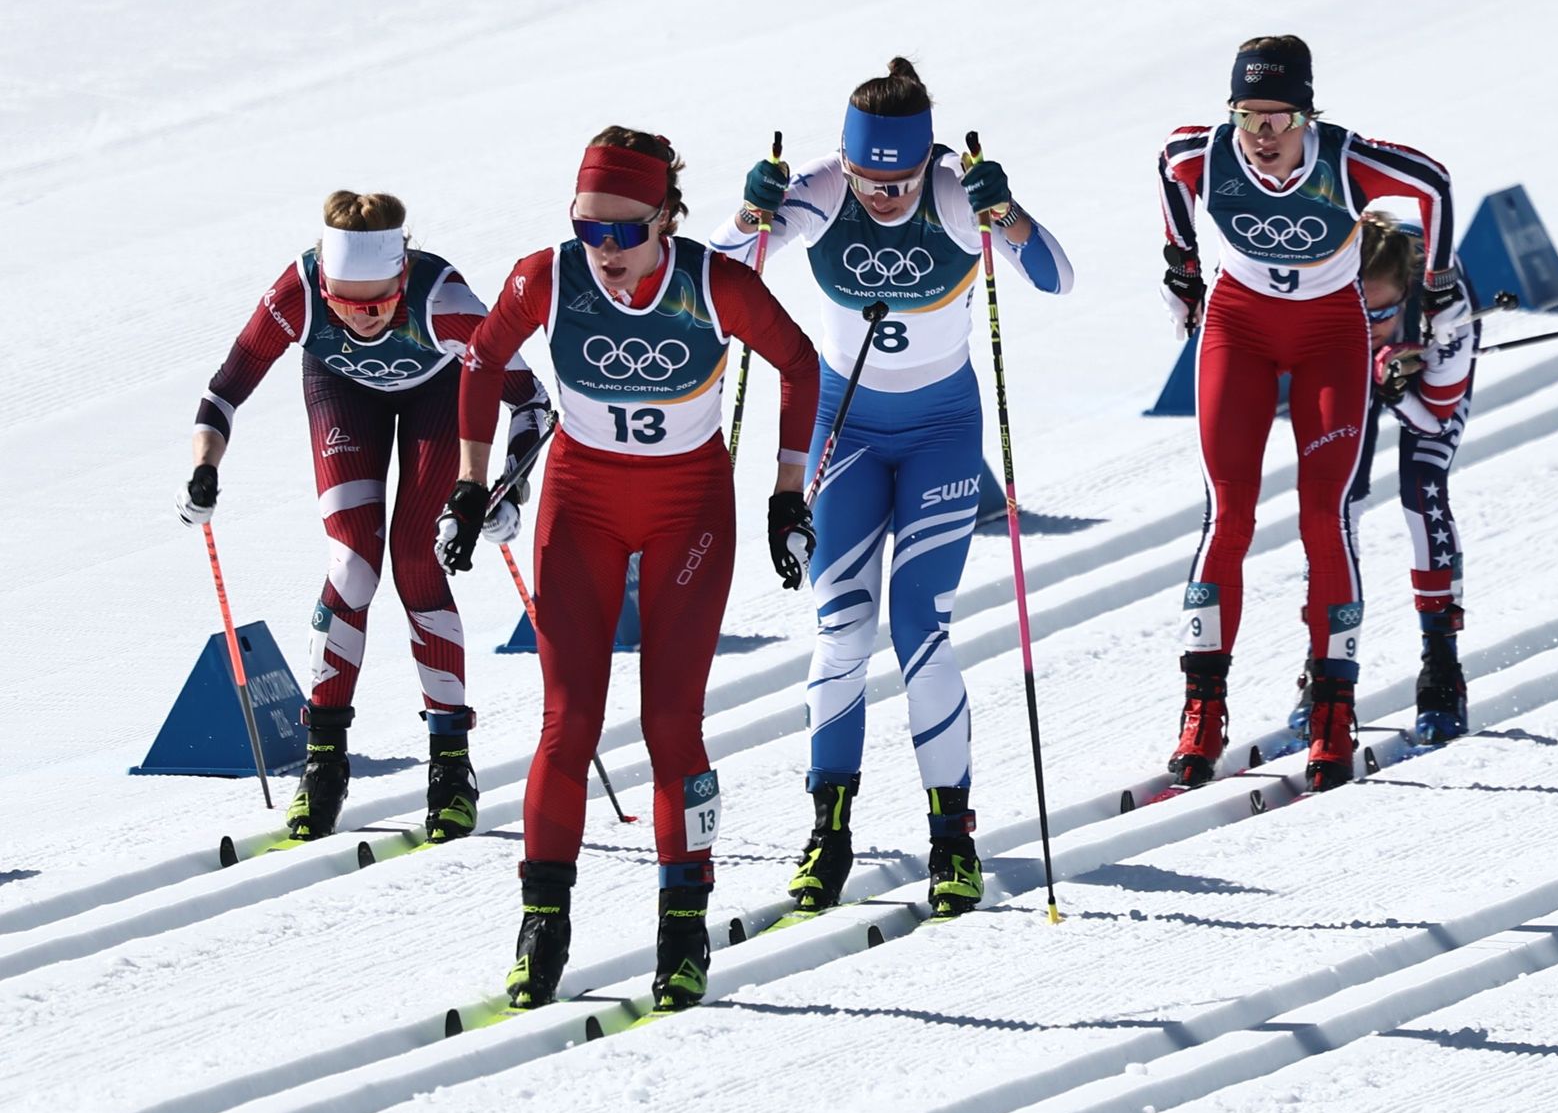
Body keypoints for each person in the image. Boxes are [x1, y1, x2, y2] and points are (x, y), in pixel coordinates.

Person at [435, 128, 820, 1014]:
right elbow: (485, 357)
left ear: (666, 219)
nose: (603, 252)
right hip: (583, 505)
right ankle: (543, 926)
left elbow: (800, 363)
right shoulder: (548, 276)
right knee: (568, 721)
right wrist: (467, 483)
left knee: (670, 724)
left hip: (688, 507)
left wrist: (785, 494)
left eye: (623, 232)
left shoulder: (714, 284)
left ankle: (683, 931)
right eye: (587, 230)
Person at [711, 57, 1074, 919]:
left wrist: (1009, 215)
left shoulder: (953, 195)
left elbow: (1059, 277)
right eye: (868, 176)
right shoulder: (820, 191)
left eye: (898, 178)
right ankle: (827, 833)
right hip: (845, 428)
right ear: (845, 158)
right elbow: (718, 272)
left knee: (920, 628)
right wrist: (748, 212)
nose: (881, 193)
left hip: (942, 431)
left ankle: (953, 838)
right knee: (839, 630)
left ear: (926, 159)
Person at [177, 191, 552, 842]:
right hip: (342, 391)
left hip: (438, 392)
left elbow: (533, 406)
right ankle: (323, 764)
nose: (362, 320)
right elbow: (224, 391)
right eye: (344, 305)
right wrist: (205, 468)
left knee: (418, 562)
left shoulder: (448, 302)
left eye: (378, 304)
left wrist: (505, 494)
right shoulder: (298, 293)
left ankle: (450, 766)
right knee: (351, 562)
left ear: (403, 275)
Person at [1158, 35, 1464, 792]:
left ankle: (1333, 711)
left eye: (1279, 117)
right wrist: (1181, 267)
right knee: (1228, 516)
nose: (1261, 136)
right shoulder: (1205, 153)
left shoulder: (1347, 159)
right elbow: (1169, 167)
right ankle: (1202, 708)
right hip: (1241, 327)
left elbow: (1434, 182)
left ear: (1307, 113)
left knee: (1324, 517)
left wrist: (1438, 282)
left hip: (1331, 331)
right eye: (1248, 115)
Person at [1287, 212, 1475, 742]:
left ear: (1406, 293)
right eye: (1357, 312)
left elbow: (1436, 417)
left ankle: (1442, 670)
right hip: (1342, 360)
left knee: (1421, 486)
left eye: (1382, 314)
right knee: (1335, 504)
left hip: (1425, 366)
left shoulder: (1446, 305)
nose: (1368, 327)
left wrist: (1395, 389)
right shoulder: (1322, 292)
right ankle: (1324, 670)